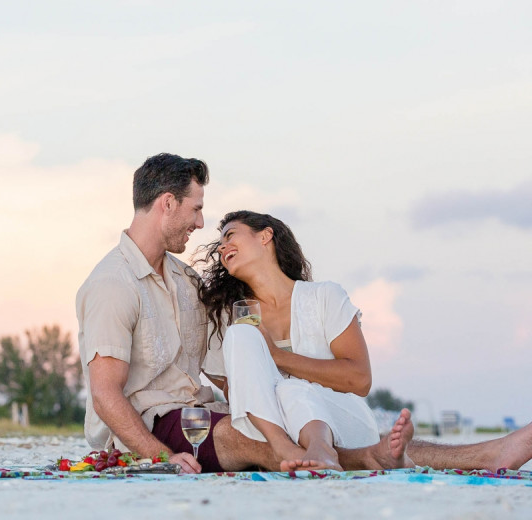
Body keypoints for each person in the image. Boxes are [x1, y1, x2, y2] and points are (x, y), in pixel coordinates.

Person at [76, 152, 532, 474]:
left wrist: (275, 396)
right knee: (256, 438)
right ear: (167, 204)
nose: (201, 225)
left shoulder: (186, 283)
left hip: (212, 410)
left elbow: (229, 375)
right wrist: (162, 458)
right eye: (196, 209)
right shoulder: (112, 284)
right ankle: (394, 457)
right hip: (160, 425)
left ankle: (477, 451)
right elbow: (106, 396)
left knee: (285, 418)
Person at [196, 210, 410, 471]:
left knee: (291, 388)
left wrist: (277, 357)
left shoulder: (324, 297)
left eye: (230, 235)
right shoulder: (229, 318)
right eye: (220, 244)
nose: (222, 247)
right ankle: (285, 448)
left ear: (265, 236)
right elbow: (239, 393)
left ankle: (320, 447)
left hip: (344, 422)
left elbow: (360, 380)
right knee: (242, 334)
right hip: (275, 429)